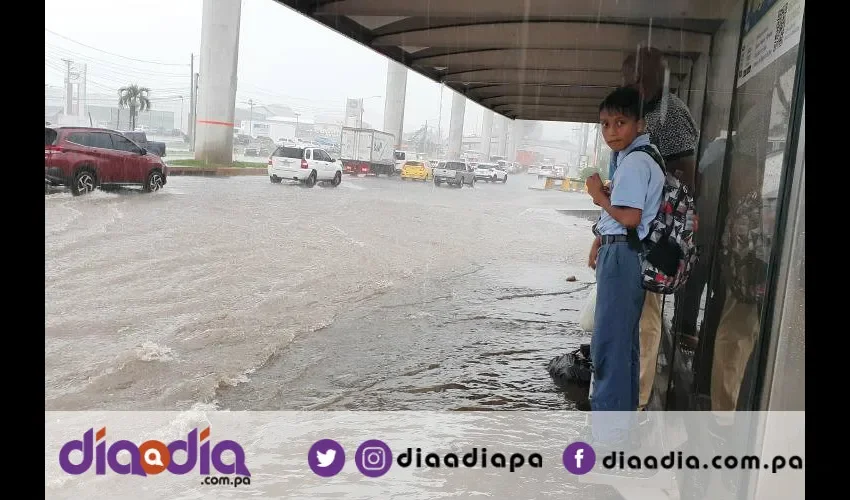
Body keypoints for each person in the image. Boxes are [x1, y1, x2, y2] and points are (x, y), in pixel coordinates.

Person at [599, 46, 699, 410]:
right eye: (629, 78)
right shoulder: (637, 112)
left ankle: (638, 396)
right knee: (627, 324)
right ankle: (627, 398)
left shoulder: (670, 114)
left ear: (662, 75)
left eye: (642, 76)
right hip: (628, 235)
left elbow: (686, 175)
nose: (635, 84)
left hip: (646, 238)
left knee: (644, 318)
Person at [586, 87, 665, 436]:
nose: (612, 131)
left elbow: (630, 218)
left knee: (609, 348)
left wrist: (598, 196)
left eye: (620, 122)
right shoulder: (643, 156)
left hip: (623, 256)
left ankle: (606, 438)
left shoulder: (634, 162)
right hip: (625, 252)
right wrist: (600, 236)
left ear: (640, 123)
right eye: (605, 124)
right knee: (624, 346)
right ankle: (621, 430)